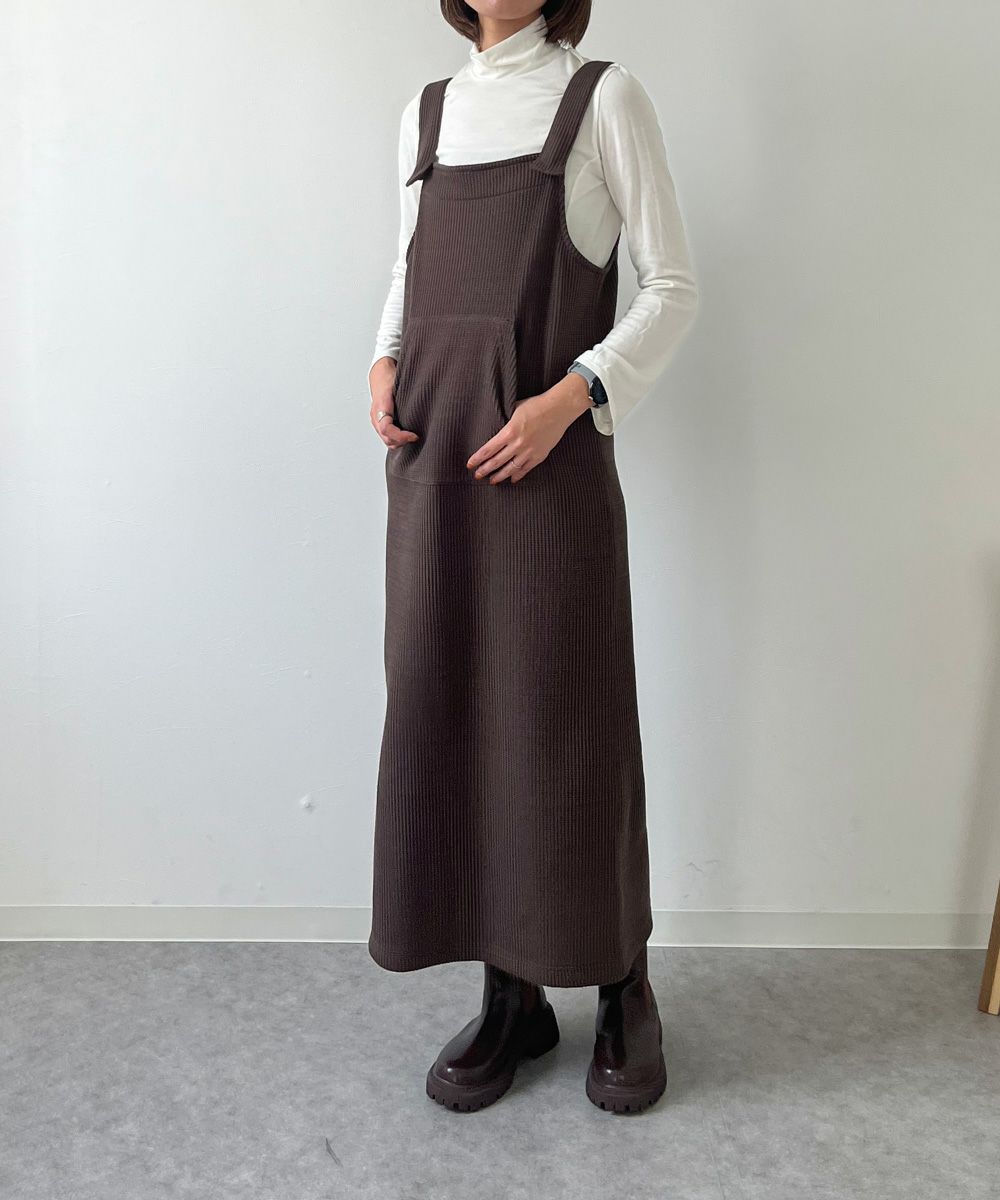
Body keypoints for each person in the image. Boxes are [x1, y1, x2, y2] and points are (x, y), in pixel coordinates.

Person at [366, 0, 698, 1114]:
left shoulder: (601, 98)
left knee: (566, 724)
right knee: (455, 715)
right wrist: (382, 361)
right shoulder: (425, 115)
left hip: (548, 471)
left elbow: (672, 286)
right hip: (435, 461)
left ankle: (622, 984)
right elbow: (407, 272)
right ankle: (513, 996)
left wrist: (574, 396)